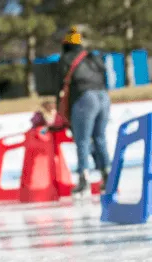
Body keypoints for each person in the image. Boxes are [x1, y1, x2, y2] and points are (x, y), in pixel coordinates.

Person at [56, 26, 111, 193]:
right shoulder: (93, 57)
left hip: (84, 98)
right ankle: (107, 176)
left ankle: (83, 180)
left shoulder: (66, 59)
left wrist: (60, 111)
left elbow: (61, 87)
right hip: (103, 96)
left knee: (83, 141)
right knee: (100, 138)